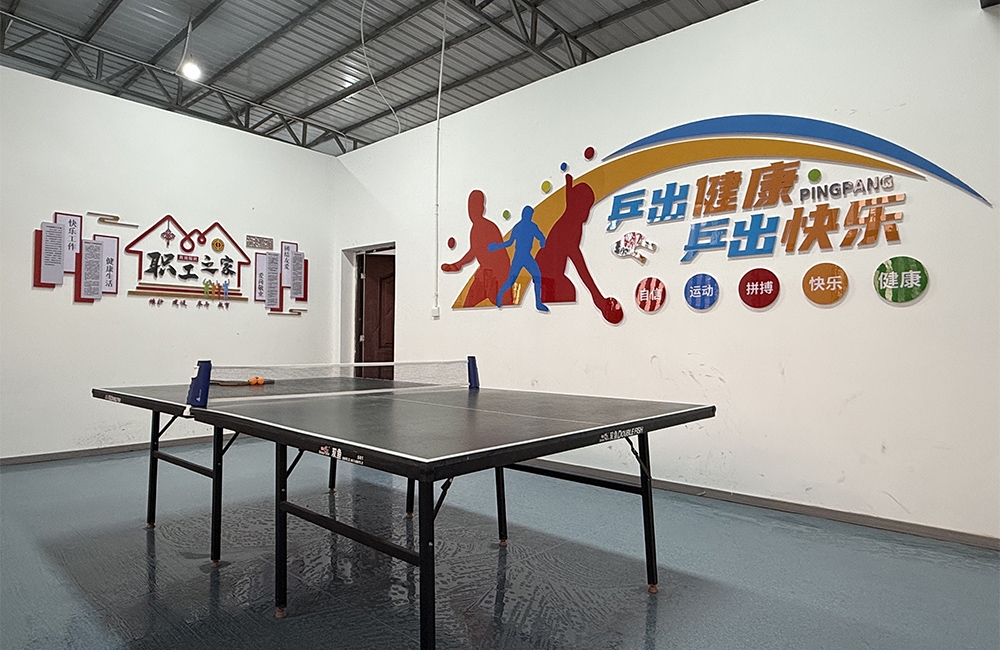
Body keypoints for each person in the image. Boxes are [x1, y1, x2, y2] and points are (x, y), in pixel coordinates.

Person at [536, 174, 622, 323]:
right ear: (577, 206)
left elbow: (569, 197)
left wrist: (569, 183)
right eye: (585, 207)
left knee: (567, 291)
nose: (587, 213)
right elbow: (579, 263)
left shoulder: (570, 216)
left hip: (546, 270)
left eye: (588, 207)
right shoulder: (570, 227)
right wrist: (597, 296)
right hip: (547, 274)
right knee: (567, 292)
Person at [440, 189, 512, 307]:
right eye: (470, 207)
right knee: (467, 305)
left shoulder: (488, 227)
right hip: (485, 274)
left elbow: (482, 253)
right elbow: (473, 251)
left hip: (499, 276)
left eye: (475, 207)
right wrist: (457, 265)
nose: (471, 211)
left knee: (505, 308)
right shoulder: (475, 229)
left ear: (482, 208)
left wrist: (457, 265)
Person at [488, 205, 548, 312]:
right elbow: (510, 242)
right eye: (528, 214)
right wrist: (497, 246)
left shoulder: (531, 226)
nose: (528, 216)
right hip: (519, 256)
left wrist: (542, 242)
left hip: (526, 256)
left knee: (537, 276)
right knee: (512, 280)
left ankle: (538, 302)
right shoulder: (519, 227)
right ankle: (500, 294)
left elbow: (541, 236)